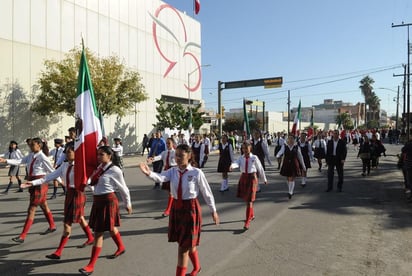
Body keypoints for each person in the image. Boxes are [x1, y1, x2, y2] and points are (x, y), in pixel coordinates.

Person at [139, 144, 219, 276]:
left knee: (183, 248)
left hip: (190, 209)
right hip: (177, 209)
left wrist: (213, 211)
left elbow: (207, 193)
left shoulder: (196, 172)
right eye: (176, 155)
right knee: (187, 244)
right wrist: (149, 173)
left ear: (188, 156)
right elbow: (161, 177)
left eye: (181, 156)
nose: (177, 158)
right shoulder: (172, 171)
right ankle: (197, 268)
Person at [20, 143, 94, 259]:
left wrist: (97, 192)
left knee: (67, 224)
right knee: (80, 218)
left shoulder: (81, 166)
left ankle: (58, 252)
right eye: (66, 152)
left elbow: (89, 181)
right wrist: (32, 183)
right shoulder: (64, 166)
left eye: (70, 152)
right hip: (69, 194)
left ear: (76, 153)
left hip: (78, 194)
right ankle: (90, 237)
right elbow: (49, 176)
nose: (67, 154)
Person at [79, 146, 132, 276]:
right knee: (111, 227)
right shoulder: (98, 168)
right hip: (98, 202)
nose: (98, 157)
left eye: (101, 154)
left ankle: (91, 265)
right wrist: (86, 182)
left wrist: (127, 204)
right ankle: (121, 247)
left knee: (98, 233)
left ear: (109, 156)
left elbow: (123, 188)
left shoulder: (115, 170)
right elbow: (93, 183)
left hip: (108, 201)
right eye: (98, 154)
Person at [0, 137, 57, 243]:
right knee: (44, 205)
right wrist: (6, 160)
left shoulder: (43, 157)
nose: (30, 147)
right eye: (30, 145)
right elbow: (20, 161)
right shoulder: (31, 155)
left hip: (40, 183)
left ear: (39, 145)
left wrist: (62, 181)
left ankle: (22, 236)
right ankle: (52, 225)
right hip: (32, 182)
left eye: (32, 145)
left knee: (31, 209)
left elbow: (52, 171)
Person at [230, 141, 267, 230]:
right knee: (247, 199)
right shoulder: (241, 158)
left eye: (246, 148)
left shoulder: (254, 157)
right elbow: (236, 163)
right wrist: (232, 166)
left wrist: (264, 179)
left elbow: (260, 168)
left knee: (249, 200)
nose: (245, 150)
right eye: (243, 148)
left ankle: (247, 221)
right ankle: (251, 214)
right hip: (244, 178)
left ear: (250, 148)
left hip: (252, 178)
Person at [149, 137, 177, 217]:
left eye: (169, 143)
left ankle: (168, 209)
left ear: (173, 144)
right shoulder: (164, 152)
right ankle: (172, 206)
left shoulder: (175, 153)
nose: (167, 145)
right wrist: (152, 159)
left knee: (172, 192)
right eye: (167, 143)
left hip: (173, 171)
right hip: (166, 171)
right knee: (170, 192)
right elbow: (159, 157)